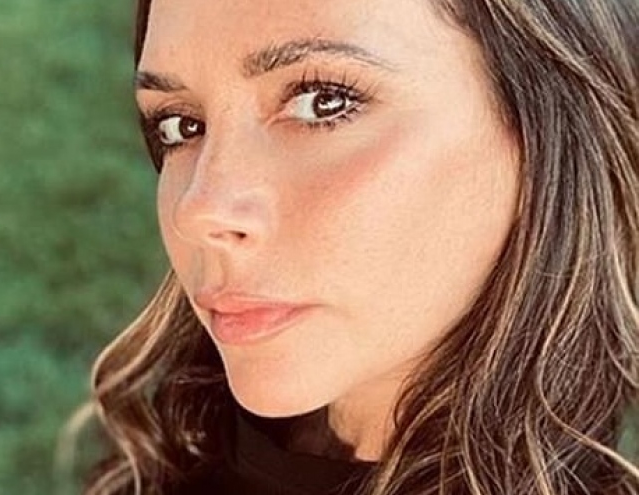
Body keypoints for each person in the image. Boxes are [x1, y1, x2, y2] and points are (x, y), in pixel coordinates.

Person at [83, 0, 639, 493]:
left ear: (548, 136)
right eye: (181, 125)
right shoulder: (175, 453)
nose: (199, 210)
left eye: (323, 102)